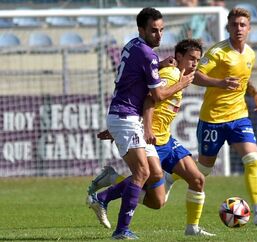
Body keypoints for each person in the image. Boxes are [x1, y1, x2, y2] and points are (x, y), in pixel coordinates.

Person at [87, 39, 217, 237]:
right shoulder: (172, 74)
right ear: (178, 57)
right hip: (152, 139)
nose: (194, 63)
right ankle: (111, 196)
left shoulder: (179, 75)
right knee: (144, 176)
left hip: (166, 139)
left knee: (193, 182)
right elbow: (150, 98)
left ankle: (192, 229)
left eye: (197, 60)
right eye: (190, 58)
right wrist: (146, 129)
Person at [166, 7, 257, 226]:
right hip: (213, 119)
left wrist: (254, 93)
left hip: (239, 117)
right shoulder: (218, 52)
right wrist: (220, 83)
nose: (238, 28)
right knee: (203, 170)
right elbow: (194, 75)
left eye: (242, 25)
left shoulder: (250, 54)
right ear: (227, 27)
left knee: (253, 160)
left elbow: (243, 80)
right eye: (234, 24)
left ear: (249, 28)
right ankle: (172, 176)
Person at [92, 7, 194, 240]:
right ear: (141, 29)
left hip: (126, 117)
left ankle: (105, 197)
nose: (159, 35)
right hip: (126, 116)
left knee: (154, 180)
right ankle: (121, 230)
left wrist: (159, 66)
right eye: (154, 31)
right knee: (142, 172)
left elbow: (135, 75)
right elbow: (157, 96)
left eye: (161, 30)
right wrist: (182, 83)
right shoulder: (147, 55)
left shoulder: (133, 46)